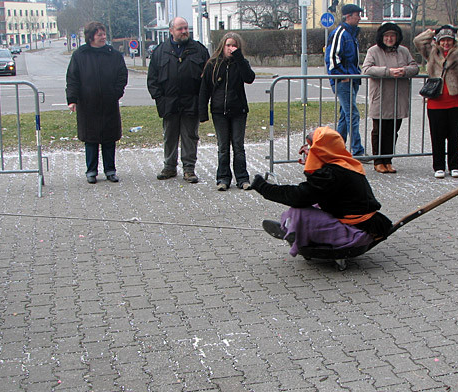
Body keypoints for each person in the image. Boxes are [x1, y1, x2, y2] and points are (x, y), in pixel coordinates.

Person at [251, 126, 392, 256]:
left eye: (311, 146)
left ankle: (296, 231)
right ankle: (291, 228)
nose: (308, 149)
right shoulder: (345, 162)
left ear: (321, 150)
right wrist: (313, 161)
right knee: (313, 206)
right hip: (360, 218)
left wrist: (264, 187)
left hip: (357, 228)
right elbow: (318, 189)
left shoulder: (332, 174)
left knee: (299, 211)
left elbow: (299, 196)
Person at [147, 17, 210, 183]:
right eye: (180, 29)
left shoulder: (199, 50)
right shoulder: (160, 51)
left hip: (191, 102)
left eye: (186, 28)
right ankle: (169, 167)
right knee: (169, 136)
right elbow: (152, 79)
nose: (184, 32)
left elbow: (207, 78)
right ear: (171, 31)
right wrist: (159, 99)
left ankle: (189, 169)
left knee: (190, 136)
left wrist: (202, 100)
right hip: (169, 103)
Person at [66, 21, 128, 184]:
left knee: (109, 139)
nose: (103, 37)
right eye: (99, 34)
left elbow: (122, 75)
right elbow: (73, 78)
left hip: (109, 103)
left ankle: (110, 170)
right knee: (91, 140)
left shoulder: (113, 55)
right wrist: (72, 99)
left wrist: (116, 92)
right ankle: (91, 171)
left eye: (104, 34)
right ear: (91, 36)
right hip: (88, 104)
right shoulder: (80, 55)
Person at [414, 25, 458, 179]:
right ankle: (439, 166)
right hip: (436, 101)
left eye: (449, 40)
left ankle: (454, 166)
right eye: (443, 40)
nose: (446, 43)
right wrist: (432, 32)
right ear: (438, 41)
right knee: (437, 136)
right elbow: (418, 41)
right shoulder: (432, 53)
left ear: (453, 40)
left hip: (456, 100)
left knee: (454, 135)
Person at [199, 32, 256, 191]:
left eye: (234, 45)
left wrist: (238, 58)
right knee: (223, 146)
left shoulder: (241, 63)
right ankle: (223, 178)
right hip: (219, 111)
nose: (231, 48)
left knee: (238, 145)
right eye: (228, 45)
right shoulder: (213, 64)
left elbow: (249, 78)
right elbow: (205, 89)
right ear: (223, 46)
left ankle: (242, 178)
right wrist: (202, 112)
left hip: (238, 110)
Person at [361, 22, 419, 174]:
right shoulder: (373, 51)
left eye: (392, 35)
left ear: (397, 37)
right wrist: (387, 72)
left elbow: (415, 67)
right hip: (381, 96)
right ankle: (378, 161)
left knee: (393, 131)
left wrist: (404, 71)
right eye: (386, 36)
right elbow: (366, 69)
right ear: (382, 37)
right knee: (379, 130)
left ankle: (388, 160)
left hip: (397, 98)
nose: (389, 38)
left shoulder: (404, 51)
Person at [325, 3, 365, 156]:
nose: (359, 18)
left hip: (351, 79)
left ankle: (336, 148)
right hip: (343, 81)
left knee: (345, 115)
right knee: (352, 114)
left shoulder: (350, 34)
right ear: (348, 16)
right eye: (357, 15)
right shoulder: (340, 33)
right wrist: (342, 76)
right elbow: (332, 57)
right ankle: (357, 150)